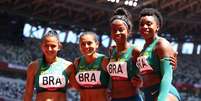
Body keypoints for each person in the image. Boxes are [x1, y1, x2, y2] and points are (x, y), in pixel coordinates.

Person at [136, 8, 180, 101]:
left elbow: (167, 75)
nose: (144, 26)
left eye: (149, 24)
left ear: (157, 27)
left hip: (164, 94)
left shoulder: (161, 44)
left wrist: (161, 98)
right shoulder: (143, 50)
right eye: (141, 24)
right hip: (148, 95)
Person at [23, 30, 76, 101]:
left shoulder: (69, 66)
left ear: (59, 47)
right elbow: (28, 93)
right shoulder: (33, 66)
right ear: (42, 46)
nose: (49, 49)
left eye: (53, 46)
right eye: (46, 46)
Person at [107, 7, 143, 101]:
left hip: (131, 98)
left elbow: (150, 74)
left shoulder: (136, 51)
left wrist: (141, 82)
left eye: (121, 29)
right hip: (114, 99)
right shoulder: (111, 50)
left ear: (128, 31)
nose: (117, 33)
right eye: (114, 30)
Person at [73, 31, 110, 101]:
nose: (86, 46)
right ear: (79, 46)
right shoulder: (77, 62)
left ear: (97, 44)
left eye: (89, 43)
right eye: (83, 44)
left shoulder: (104, 60)